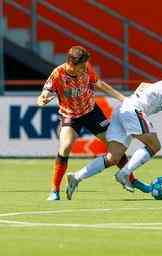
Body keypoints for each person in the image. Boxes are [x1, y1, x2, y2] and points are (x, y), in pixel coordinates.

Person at [65, 72, 162, 199]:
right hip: (133, 110)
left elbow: (143, 85)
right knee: (154, 145)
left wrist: (137, 97)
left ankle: (76, 177)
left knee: (113, 158)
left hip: (123, 109)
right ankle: (124, 173)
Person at [37, 45, 128, 201]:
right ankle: (54, 191)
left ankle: (129, 178)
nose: (85, 68)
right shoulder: (57, 74)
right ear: (72, 64)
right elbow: (43, 94)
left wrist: (123, 98)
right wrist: (42, 100)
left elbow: (101, 84)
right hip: (70, 116)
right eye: (81, 66)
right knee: (65, 146)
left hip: (91, 112)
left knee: (115, 145)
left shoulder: (86, 68)